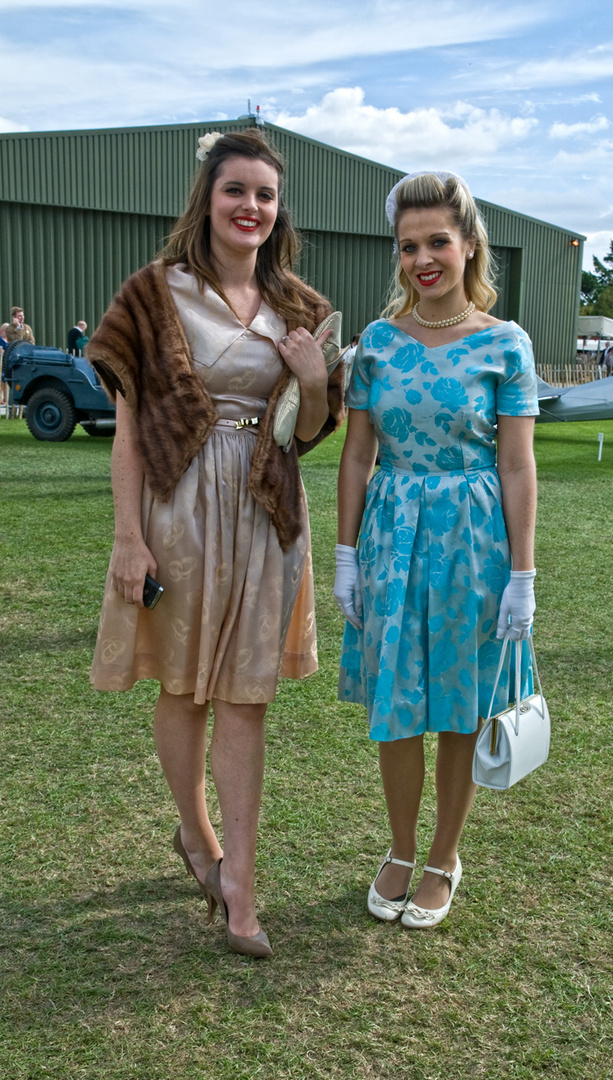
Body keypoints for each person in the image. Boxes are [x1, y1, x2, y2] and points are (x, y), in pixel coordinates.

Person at [86, 129, 344, 958]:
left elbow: (307, 435)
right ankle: (197, 837)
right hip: (179, 509)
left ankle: (240, 885)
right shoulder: (153, 294)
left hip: (267, 513)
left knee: (245, 697)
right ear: (208, 198)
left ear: (279, 209)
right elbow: (128, 430)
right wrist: (128, 538)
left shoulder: (302, 309)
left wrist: (310, 381)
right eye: (237, 190)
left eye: (266, 195)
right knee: (184, 688)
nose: (252, 207)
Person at [334, 171, 538, 929]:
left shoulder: (503, 343)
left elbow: (516, 463)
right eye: (408, 245)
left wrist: (522, 572)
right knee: (396, 702)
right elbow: (356, 454)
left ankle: (444, 855)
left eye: (437, 242)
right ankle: (396, 848)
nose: (422, 258)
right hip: (391, 534)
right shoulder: (378, 345)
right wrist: (346, 554)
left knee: (455, 705)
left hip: (472, 539)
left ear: (468, 246)